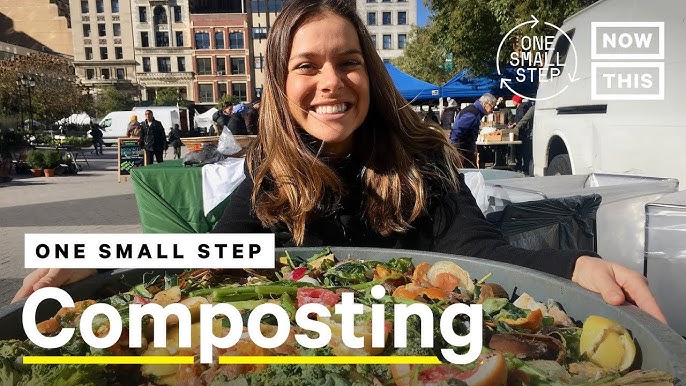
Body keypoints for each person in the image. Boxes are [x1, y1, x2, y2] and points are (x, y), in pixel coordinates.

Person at [12, 0, 666, 324]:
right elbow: (212, 251)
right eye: (307, 65)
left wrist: (575, 262)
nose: (330, 81)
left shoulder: (426, 163)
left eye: (347, 62)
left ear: (368, 75)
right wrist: (111, 255)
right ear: (282, 83)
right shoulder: (271, 171)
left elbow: (482, 252)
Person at [450, 93, 496, 168]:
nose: (492, 110)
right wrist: (456, 149)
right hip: (463, 150)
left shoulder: (474, 110)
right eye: (492, 106)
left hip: (465, 149)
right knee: (470, 173)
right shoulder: (473, 113)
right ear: (485, 104)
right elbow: (457, 130)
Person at [510, 95, 534, 175]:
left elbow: (523, 120)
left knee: (523, 152)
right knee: (527, 153)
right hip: (529, 133)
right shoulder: (525, 107)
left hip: (525, 134)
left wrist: (516, 126)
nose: (512, 101)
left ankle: (523, 168)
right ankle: (526, 168)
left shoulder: (521, 109)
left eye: (513, 100)